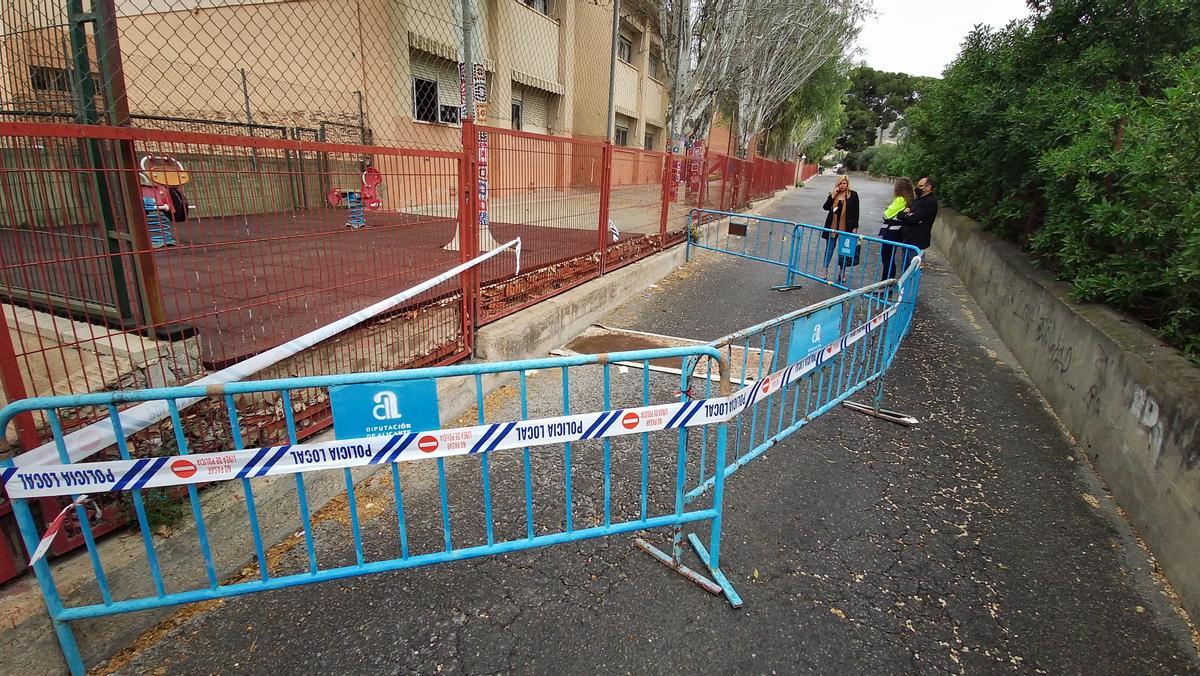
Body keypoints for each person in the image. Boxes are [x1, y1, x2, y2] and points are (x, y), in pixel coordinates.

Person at [821, 175, 859, 283]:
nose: (842, 186)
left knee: (844, 251)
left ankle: (842, 272)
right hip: (832, 227)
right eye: (840, 184)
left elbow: (856, 211)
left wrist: (855, 226)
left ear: (847, 184)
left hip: (846, 227)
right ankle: (825, 270)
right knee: (829, 248)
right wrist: (832, 195)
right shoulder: (834, 195)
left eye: (844, 184)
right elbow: (825, 207)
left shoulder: (853, 195)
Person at [897, 175, 939, 272]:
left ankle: (909, 287)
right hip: (907, 238)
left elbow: (914, 219)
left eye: (920, 186)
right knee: (905, 269)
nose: (917, 188)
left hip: (917, 241)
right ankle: (904, 287)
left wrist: (909, 215)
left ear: (928, 187)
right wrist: (907, 215)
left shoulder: (930, 202)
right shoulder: (918, 199)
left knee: (912, 270)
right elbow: (900, 214)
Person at [879, 177, 915, 280]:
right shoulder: (909, 200)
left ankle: (885, 285)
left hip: (891, 232)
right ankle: (887, 284)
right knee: (889, 259)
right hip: (897, 232)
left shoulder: (900, 199)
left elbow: (886, 215)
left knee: (887, 258)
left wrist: (887, 211)